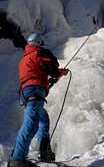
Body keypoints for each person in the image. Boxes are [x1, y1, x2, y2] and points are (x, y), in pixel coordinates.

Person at [8, 33, 69, 167]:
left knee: (43, 119)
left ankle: (45, 152)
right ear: (38, 43)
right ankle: (17, 159)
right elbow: (52, 66)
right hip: (34, 90)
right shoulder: (39, 53)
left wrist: (55, 75)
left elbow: (38, 71)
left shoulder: (25, 58)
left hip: (27, 92)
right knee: (31, 124)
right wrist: (57, 72)